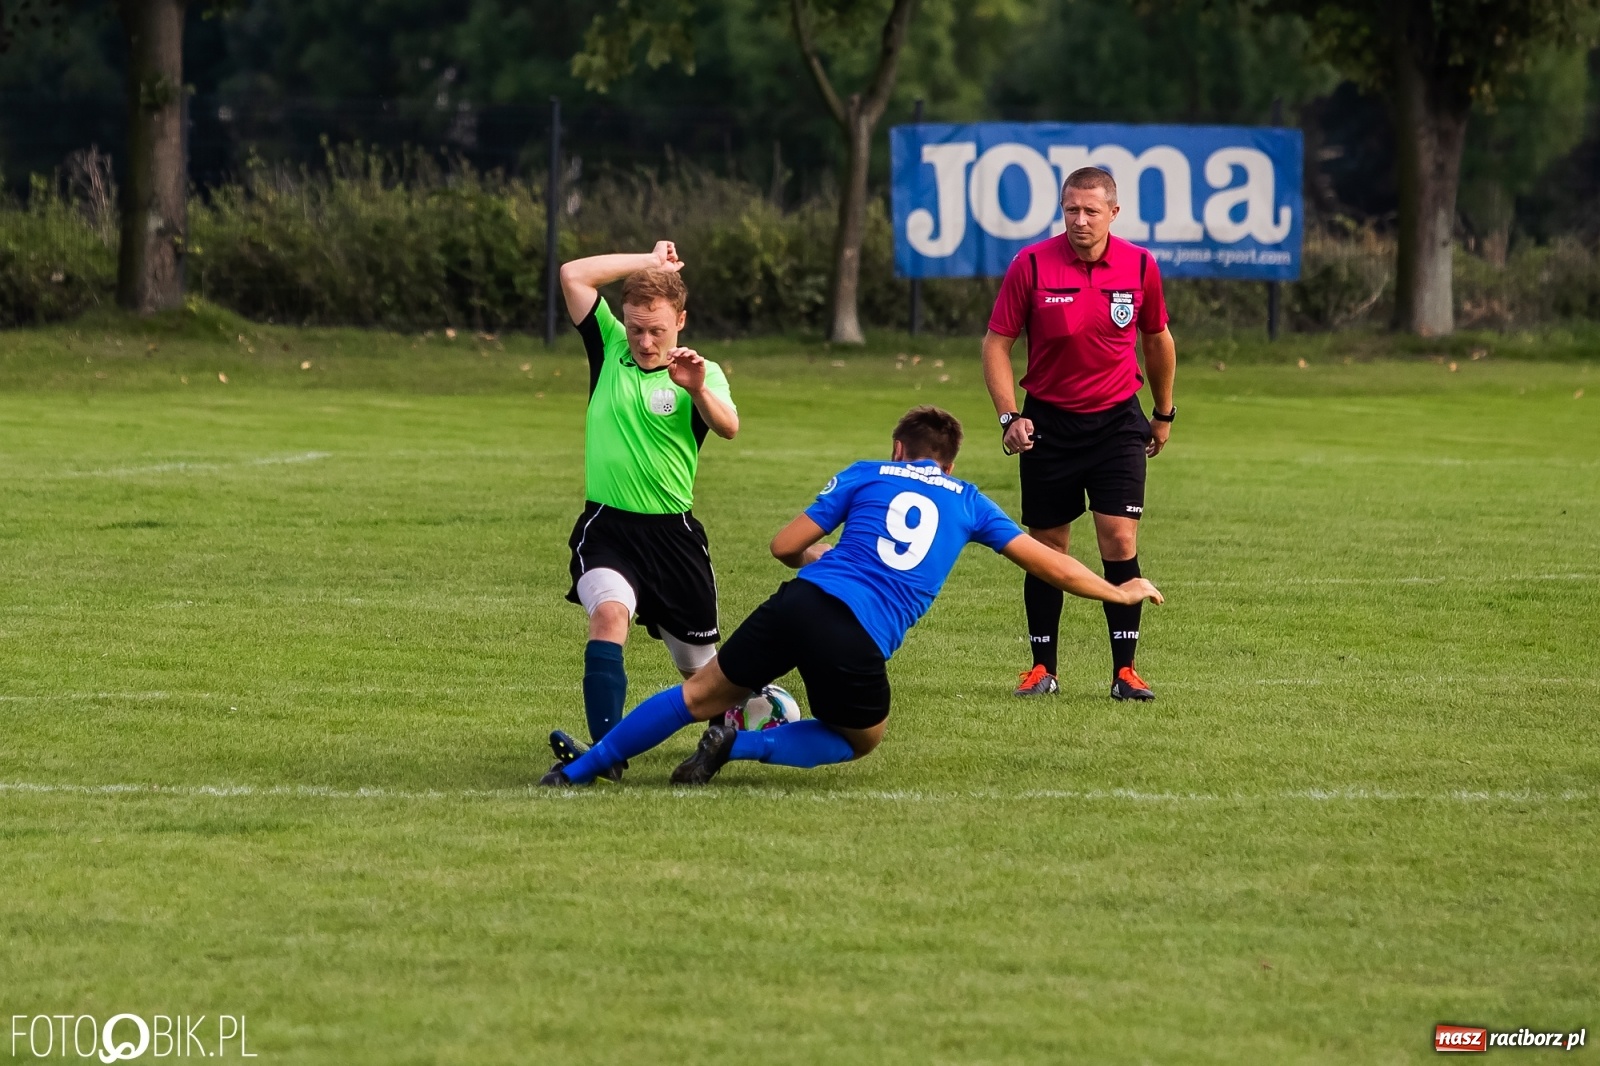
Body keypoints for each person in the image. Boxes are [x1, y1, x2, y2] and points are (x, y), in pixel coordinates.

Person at [538, 406, 1162, 788]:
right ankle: (744, 743)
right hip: (858, 633)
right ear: (946, 463)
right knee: (861, 737)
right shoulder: (969, 501)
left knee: (697, 696)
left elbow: (784, 545)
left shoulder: (866, 472)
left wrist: (821, 557)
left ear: (898, 449)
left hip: (801, 600)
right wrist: (1116, 586)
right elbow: (1049, 563)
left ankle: (580, 771)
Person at [981, 166, 1177, 702]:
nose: (1080, 220)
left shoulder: (1139, 265)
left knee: (1119, 539)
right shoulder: (1031, 264)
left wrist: (1163, 413)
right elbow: (997, 343)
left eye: (1092, 211)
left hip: (1117, 422)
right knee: (1049, 547)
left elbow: (1157, 339)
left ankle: (1126, 672)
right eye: (1072, 209)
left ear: (1114, 213)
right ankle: (1042, 667)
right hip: (1048, 424)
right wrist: (1009, 417)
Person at [548, 240, 739, 781]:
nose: (646, 340)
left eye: (658, 329)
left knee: (702, 676)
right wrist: (647, 264)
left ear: (681, 320)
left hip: (674, 538)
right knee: (608, 616)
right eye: (636, 328)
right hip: (608, 527)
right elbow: (574, 274)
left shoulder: (703, 373)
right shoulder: (609, 348)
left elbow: (728, 426)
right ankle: (606, 756)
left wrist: (698, 389)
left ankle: (760, 710)